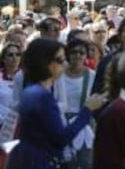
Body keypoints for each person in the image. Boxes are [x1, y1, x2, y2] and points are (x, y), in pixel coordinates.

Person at [6, 38, 106, 169]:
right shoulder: (41, 96)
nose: (65, 64)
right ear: (45, 63)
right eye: (60, 60)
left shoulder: (35, 90)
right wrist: (87, 109)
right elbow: (61, 138)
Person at [62, 39, 96, 169]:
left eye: (81, 52)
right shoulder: (59, 75)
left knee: (85, 162)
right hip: (62, 123)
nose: (77, 56)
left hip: (85, 123)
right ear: (67, 55)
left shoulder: (92, 75)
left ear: (86, 55)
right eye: (73, 52)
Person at [0, 42, 22, 108]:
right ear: (3, 59)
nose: (15, 57)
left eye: (18, 54)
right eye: (10, 55)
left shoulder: (27, 75)